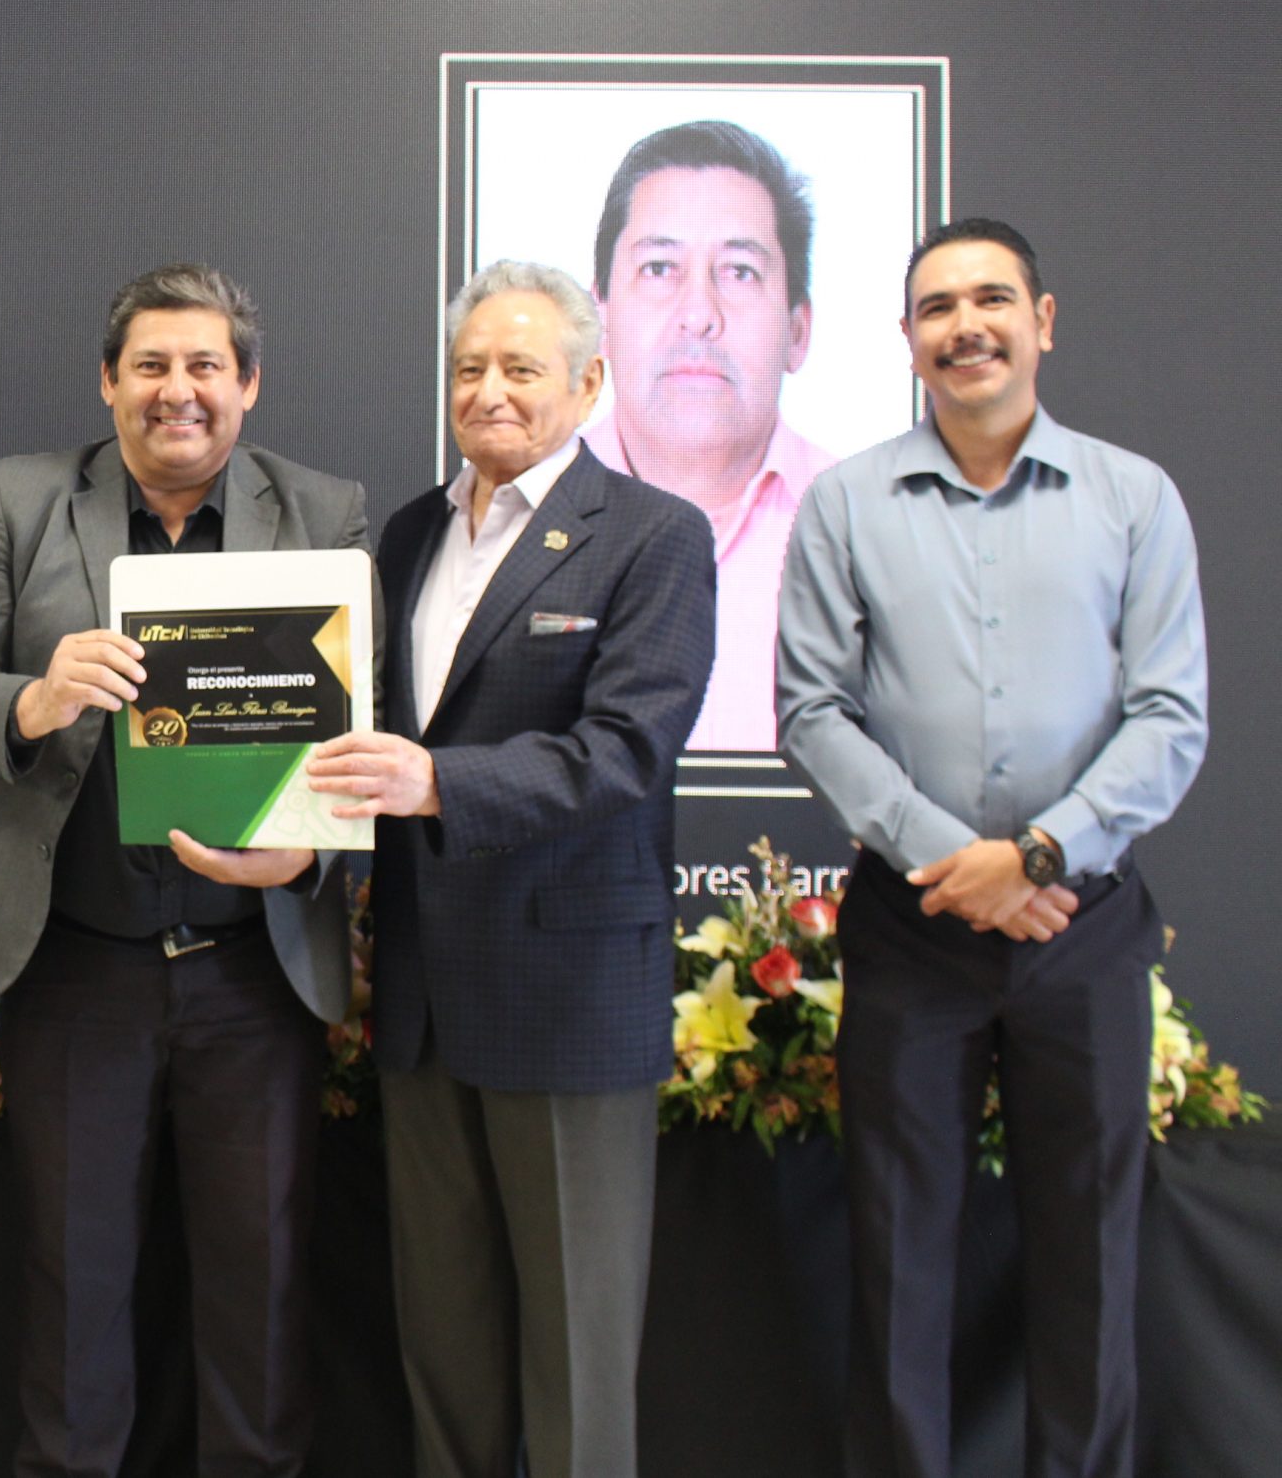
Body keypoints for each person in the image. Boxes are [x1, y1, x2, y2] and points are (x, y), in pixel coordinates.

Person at [0, 263, 366, 1478]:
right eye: (150, 365)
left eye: (205, 365)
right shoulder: (21, 499)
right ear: (106, 381)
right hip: (77, 972)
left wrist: (309, 845)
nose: (178, 391)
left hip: (252, 976)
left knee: (261, 1300)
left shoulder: (324, 511)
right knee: (70, 1299)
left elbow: (370, 728)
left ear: (248, 384)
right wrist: (34, 697)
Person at [777, 218, 1207, 1478]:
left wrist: (1036, 858)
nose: (965, 326)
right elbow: (812, 710)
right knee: (897, 1257)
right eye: (936, 308)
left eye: (991, 300)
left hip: (1082, 927)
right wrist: (955, 866)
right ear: (906, 340)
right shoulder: (846, 500)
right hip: (913, 928)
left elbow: (1169, 716)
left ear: (1042, 321)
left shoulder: (1133, 498)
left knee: (1090, 1255)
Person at [307, 260, 714, 1478]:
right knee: (446, 1347)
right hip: (425, 1002)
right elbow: (363, 732)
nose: (489, 390)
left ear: (588, 385)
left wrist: (436, 783)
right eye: (469, 367)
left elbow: (625, 750)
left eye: (521, 367)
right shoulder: (409, 534)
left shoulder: (653, 536)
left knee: (576, 1362)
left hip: (567, 999)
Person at [588, 119, 832, 751]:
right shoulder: (517, 517)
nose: (698, 316)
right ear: (600, 318)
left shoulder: (868, 527)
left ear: (797, 331)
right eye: (659, 268)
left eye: (740, 272)